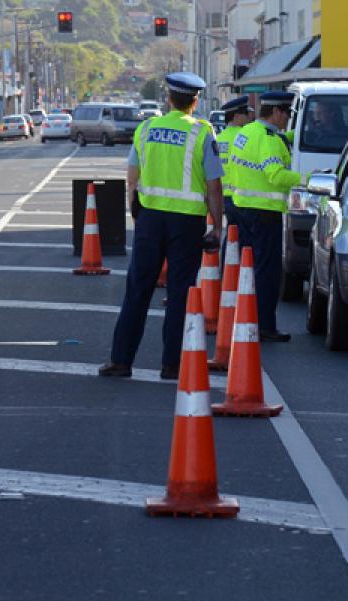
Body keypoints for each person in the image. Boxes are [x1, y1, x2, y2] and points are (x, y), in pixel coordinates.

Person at [99, 72, 224, 380]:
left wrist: (135, 209)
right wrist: (217, 226)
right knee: (181, 294)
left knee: (137, 289)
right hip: (187, 223)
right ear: (194, 101)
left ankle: (121, 360)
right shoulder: (202, 133)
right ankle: (172, 365)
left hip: (150, 219)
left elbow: (132, 175)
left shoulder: (146, 128)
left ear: (169, 99)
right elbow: (214, 186)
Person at [228, 91, 301, 342]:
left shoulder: (246, 133)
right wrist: (309, 179)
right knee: (268, 273)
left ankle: (248, 317)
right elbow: (276, 175)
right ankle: (265, 325)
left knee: (249, 269)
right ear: (277, 112)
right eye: (287, 114)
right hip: (265, 212)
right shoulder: (269, 140)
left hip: (243, 208)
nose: (287, 119)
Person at [216, 95, 253, 255]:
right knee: (245, 240)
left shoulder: (219, 138)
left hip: (225, 196)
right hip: (241, 196)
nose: (249, 117)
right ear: (237, 116)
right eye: (246, 114)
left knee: (231, 236)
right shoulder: (243, 136)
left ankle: (226, 270)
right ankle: (242, 275)